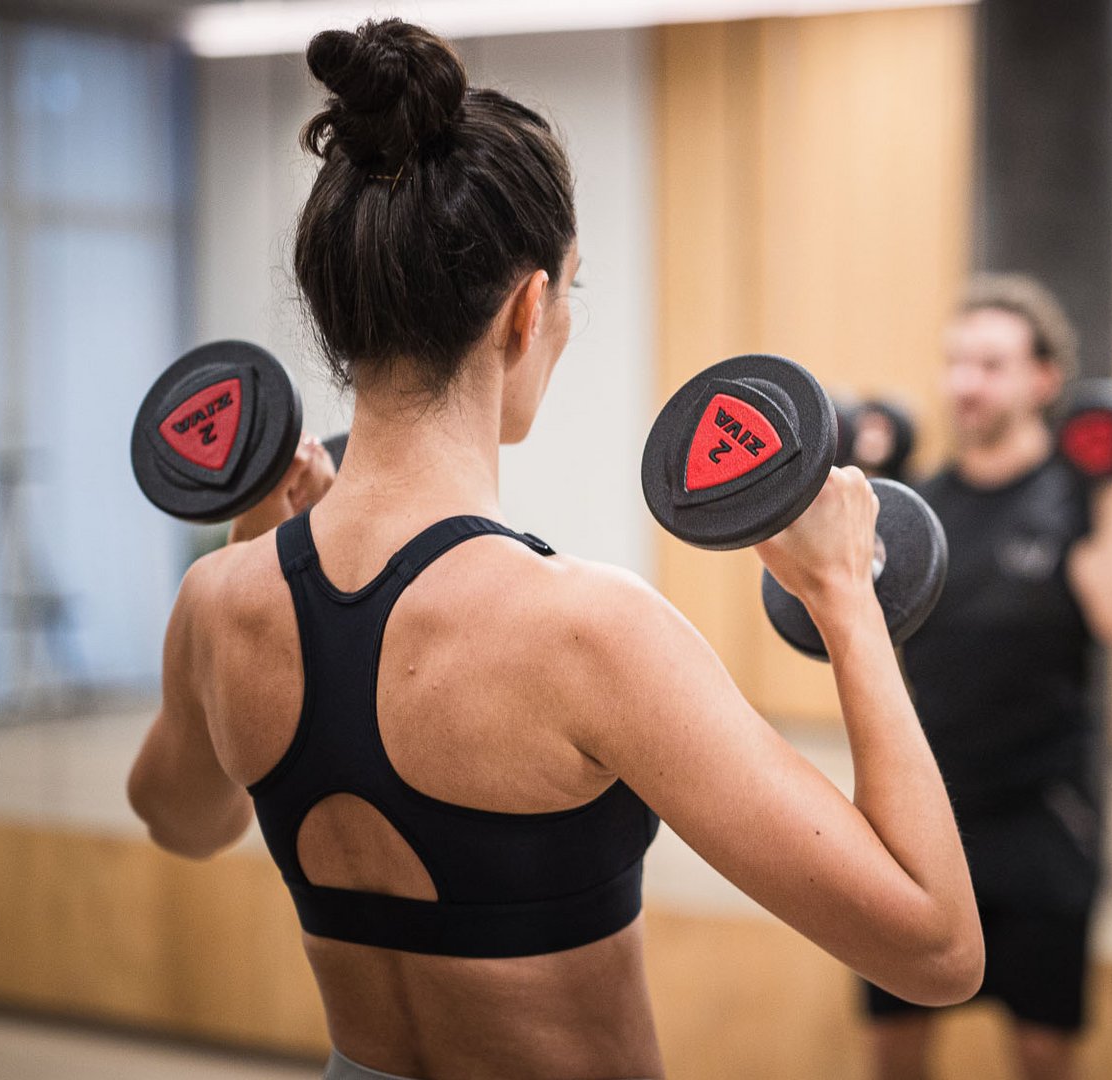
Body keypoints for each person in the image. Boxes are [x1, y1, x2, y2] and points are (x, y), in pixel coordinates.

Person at [124, 20, 981, 1080]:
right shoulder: (589, 632)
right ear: (528, 310)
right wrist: (845, 592)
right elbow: (936, 951)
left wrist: (261, 536)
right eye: (570, 287)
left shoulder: (218, 601)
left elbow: (183, 821)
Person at [864, 275, 1112, 1080]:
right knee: (895, 1051)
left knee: (1042, 1052)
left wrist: (1110, 478)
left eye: (992, 365)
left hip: (1041, 817)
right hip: (922, 815)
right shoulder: (916, 508)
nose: (966, 384)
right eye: (956, 362)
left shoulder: (1078, 500)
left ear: (1045, 379)